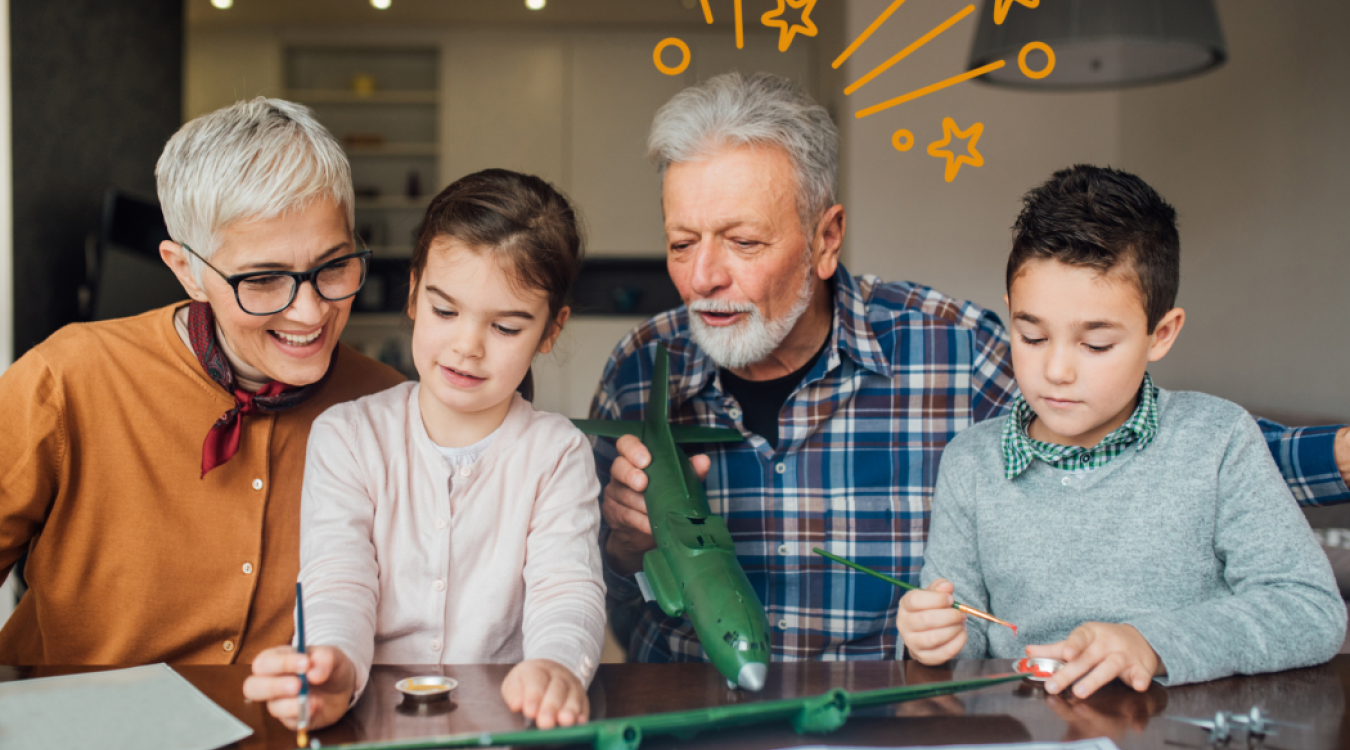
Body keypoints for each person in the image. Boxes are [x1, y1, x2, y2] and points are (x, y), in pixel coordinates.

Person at [592, 72, 1350, 665]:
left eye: (743, 243)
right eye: (683, 241)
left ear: (826, 239)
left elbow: (1147, 431)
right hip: (693, 711)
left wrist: (1339, 456)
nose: (703, 278)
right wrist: (623, 546)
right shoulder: (638, 372)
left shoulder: (953, 347)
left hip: (891, 721)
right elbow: (587, 583)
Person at [899, 165, 1344, 696]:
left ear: (1161, 334)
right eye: (1032, 336)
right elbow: (964, 632)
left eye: (1096, 344)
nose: (1057, 370)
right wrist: (933, 636)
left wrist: (1150, 643)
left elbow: (1309, 609)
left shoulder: (1219, 440)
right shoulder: (970, 462)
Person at [0, 98, 404, 664]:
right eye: (263, 279)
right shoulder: (65, 379)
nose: (311, 313)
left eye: (333, 266)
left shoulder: (388, 406)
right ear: (184, 268)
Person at [242, 169, 606, 731]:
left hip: (502, 723)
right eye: (445, 311)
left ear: (550, 331)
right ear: (413, 293)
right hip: (368, 722)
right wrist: (333, 662)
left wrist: (557, 666)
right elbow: (339, 578)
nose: (467, 346)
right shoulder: (348, 436)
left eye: (506, 328)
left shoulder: (557, 453)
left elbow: (568, 589)